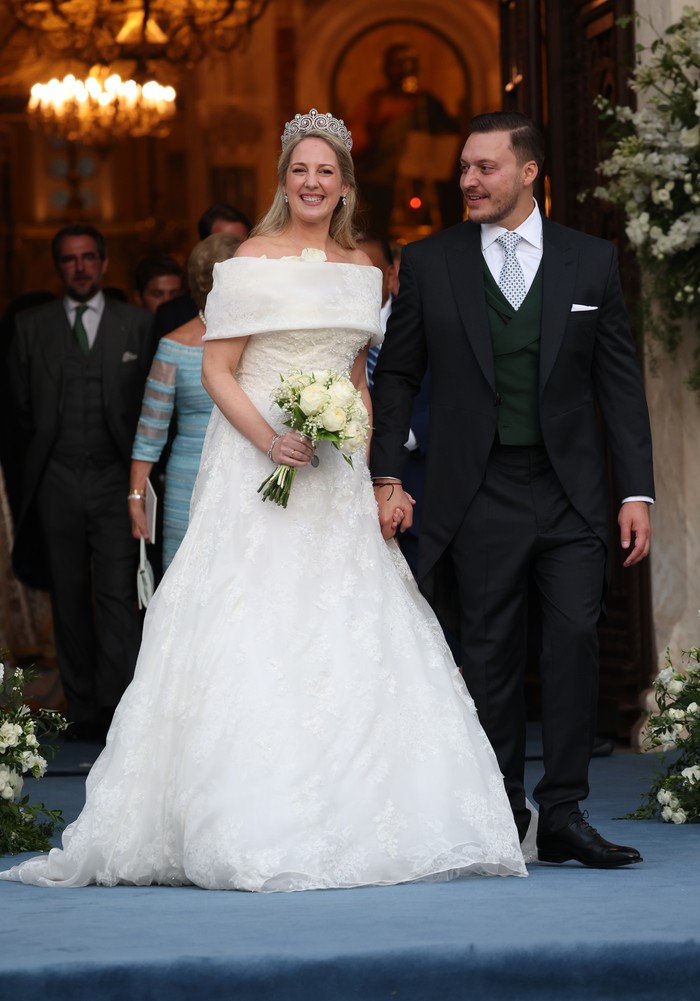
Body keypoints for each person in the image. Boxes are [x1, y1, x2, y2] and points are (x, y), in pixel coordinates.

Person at [0, 109, 525, 891]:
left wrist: (372, 466)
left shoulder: (359, 268)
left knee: (350, 624)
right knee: (254, 623)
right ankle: (247, 815)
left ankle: (364, 816)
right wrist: (270, 440)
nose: (312, 183)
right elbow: (218, 370)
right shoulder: (249, 259)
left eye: (326, 171)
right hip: (257, 472)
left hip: (336, 476)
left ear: (346, 183)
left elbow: (355, 375)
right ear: (283, 181)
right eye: (299, 170)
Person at [370, 111, 654, 869]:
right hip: (480, 487)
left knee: (574, 642)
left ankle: (563, 812)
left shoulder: (590, 261)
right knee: (492, 653)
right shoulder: (430, 262)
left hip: (571, 491)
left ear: (528, 172)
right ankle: (499, 811)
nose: (468, 180)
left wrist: (637, 492)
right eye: (465, 167)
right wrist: (387, 471)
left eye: (485, 167)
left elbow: (619, 382)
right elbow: (397, 373)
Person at [7, 224, 157, 742]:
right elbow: (18, 410)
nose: (80, 267)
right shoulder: (31, 327)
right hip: (56, 478)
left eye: (89, 257)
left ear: (104, 262)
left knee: (116, 595)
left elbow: (151, 404)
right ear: (58, 267)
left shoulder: (137, 325)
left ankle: (119, 707)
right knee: (67, 594)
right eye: (70, 259)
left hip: (117, 478)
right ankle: (82, 710)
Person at [129, 233, 241, 570]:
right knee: (187, 576)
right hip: (188, 481)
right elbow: (150, 431)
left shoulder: (263, 341)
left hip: (249, 476)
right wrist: (136, 496)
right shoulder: (173, 346)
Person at [153, 205, 252, 338]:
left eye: (238, 244)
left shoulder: (264, 306)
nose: (230, 252)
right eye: (222, 244)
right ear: (204, 247)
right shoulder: (172, 315)